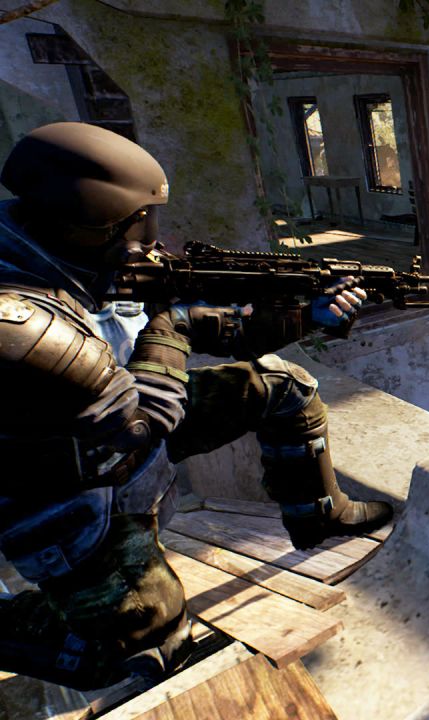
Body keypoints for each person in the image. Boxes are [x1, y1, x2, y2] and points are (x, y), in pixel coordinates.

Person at [0, 122, 392, 690]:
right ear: (90, 224)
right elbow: (141, 422)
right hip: (59, 489)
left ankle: (318, 516)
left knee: (285, 386)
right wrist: (171, 320)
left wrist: (310, 316)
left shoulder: (81, 264)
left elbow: (216, 330)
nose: (151, 241)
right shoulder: (18, 321)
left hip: (120, 429)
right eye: (137, 224)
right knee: (151, 647)